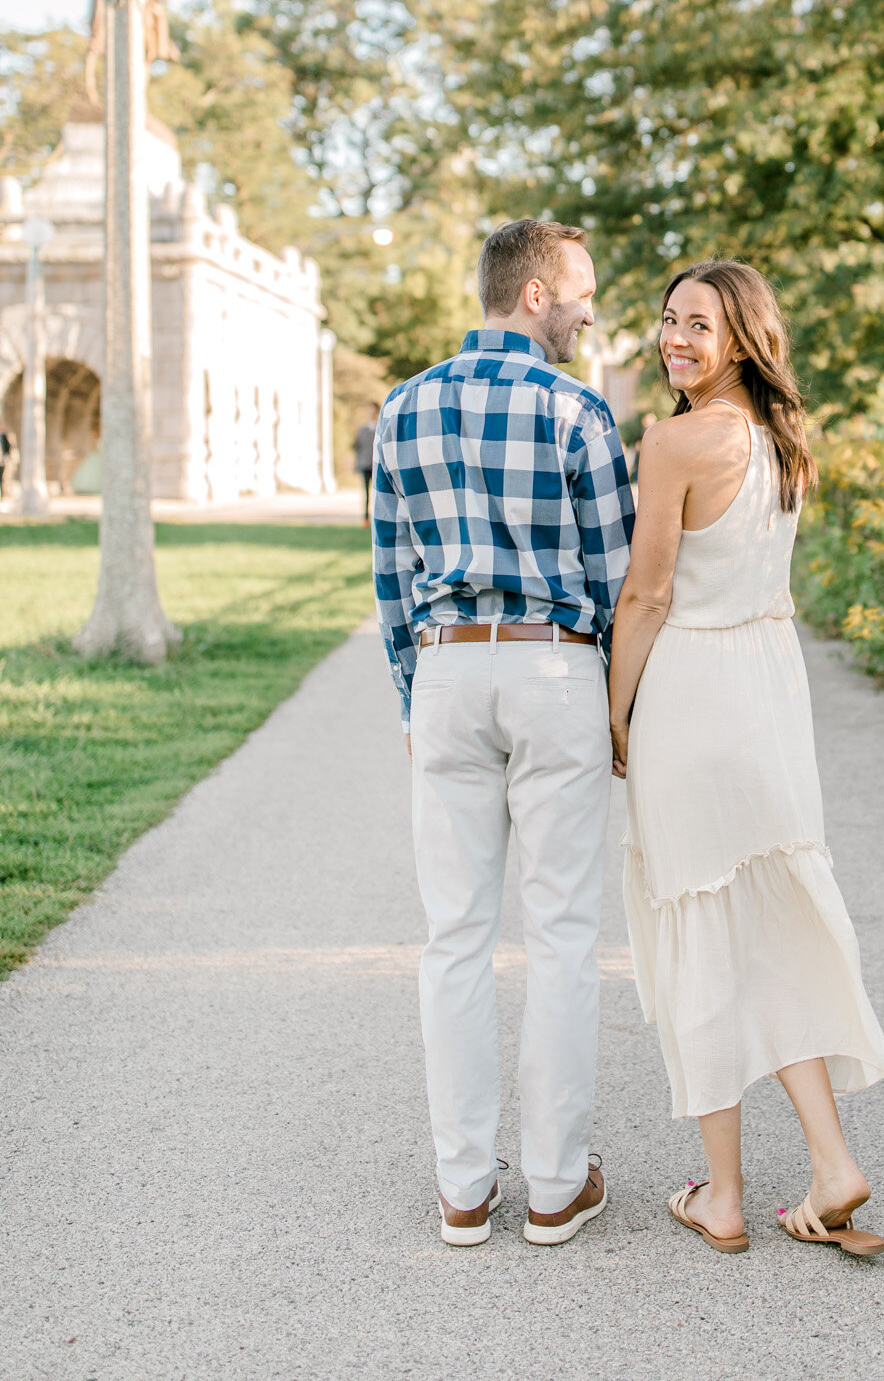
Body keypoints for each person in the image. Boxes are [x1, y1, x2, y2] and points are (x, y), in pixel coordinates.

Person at [610, 260, 884, 1257]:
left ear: (740, 339)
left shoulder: (676, 440)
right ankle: (830, 1160)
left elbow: (647, 595)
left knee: (699, 929)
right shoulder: (782, 440)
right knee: (770, 924)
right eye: (668, 318)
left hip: (693, 691)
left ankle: (723, 1194)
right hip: (770, 694)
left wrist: (615, 712)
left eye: (700, 323)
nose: (675, 336)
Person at [373, 219, 635, 1250]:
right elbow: (615, 578)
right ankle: (557, 1185)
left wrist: (414, 693)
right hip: (554, 660)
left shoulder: (403, 407)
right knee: (564, 930)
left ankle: (463, 1188)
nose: (586, 312)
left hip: (446, 662)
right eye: (579, 292)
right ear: (534, 294)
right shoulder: (577, 409)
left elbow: (391, 578)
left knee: (454, 935)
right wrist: (616, 707)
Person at [353, 402, 380, 522]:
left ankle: (378, 516)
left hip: (377, 464)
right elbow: (357, 447)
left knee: (378, 492)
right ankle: (366, 517)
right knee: (366, 492)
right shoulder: (363, 429)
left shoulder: (380, 426)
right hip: (365, 464)